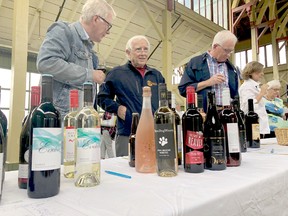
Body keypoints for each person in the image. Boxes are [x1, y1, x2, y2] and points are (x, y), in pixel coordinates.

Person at [37, 0, 116, 118]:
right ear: (96, 19)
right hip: (58, 120)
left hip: (78, 122)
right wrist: (90, 75)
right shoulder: (64, 31)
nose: (108, 32)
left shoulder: (91, 54)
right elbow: (46, 63)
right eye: (108, 25)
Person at [97, 35, 165, 157]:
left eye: (145, 49)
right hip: (127, 134)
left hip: (154, 134)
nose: (143, 53)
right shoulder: (116, 73)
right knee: (126, 171)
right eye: (138, 49)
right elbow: (101, 98)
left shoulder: (156, 75)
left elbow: (165, 102)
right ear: (128, 53)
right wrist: (117, 108)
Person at [178, 30, 239, 112]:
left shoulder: (232, 69)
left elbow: (235, 96)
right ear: (215, 46)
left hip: (228, 115)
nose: (228, 54)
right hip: (204, 114)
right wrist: (208, 82)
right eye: (226, 50)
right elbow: (183, 89)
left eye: (230, 51)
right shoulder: (195, 63)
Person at [238, 61, 270, 136]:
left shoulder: (255, 86)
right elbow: (248, 107)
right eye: (259, 72)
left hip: (260, 126)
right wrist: (261, 93)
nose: (262, 74)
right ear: (251, 73)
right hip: (253, 125)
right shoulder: (246, 87)